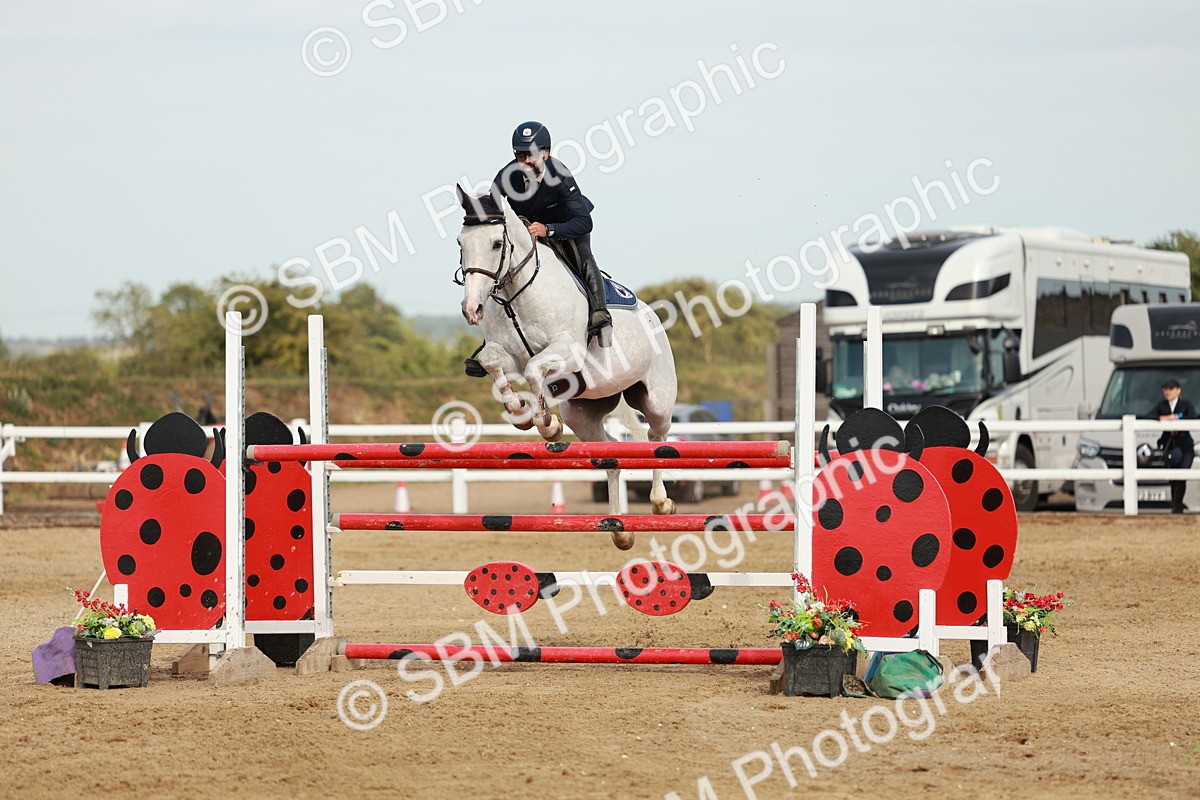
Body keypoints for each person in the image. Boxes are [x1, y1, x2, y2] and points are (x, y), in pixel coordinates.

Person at [492, 121, 612, 347]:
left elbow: (585, 222)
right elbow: (493, 211)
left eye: (532, 155)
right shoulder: (506, 176)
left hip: (567, 225)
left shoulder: (560, 175)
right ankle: (492, 335)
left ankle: (600, 315)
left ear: (546, 153)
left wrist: (548, 229)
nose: (525, 161)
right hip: (528, 231)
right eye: (520, 155)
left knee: (582, 254)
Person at [1148, 378, 1195, 513]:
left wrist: (1178, 420)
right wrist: (1166, 418)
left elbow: (1192, 416)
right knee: (1173, 478)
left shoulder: (1185, 404)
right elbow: (1149, 415)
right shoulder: (1162, 405)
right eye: (1166, 389)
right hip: (1170, 446)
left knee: (1182, 475)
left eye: (1171, 389)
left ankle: (1177, 506)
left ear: (1178, 390)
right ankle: (1175, 506)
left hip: (1185, 446)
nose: (1168, 392)